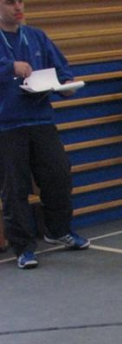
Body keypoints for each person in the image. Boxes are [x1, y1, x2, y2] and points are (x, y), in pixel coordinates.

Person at [0, 0, 90, 270]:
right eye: (9, 2)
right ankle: (24, 248)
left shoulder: (37, 36)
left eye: (20, 1)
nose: (17, 6)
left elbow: (61, 69)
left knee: (59, 175)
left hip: (41, 120)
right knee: (15, 189)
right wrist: (8, 68)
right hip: (6, 126)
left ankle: (58, 229)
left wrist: (65, 85)